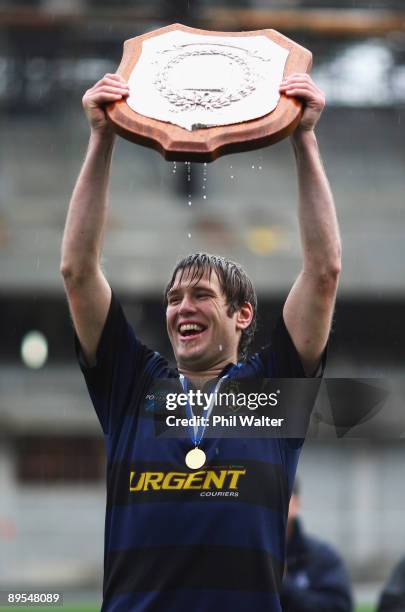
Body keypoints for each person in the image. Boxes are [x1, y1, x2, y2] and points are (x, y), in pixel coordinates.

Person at [60, 71, 341, 611]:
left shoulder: (271, 390)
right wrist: (101, 139)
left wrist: (304, 138)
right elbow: (77, 271)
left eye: (199, 295)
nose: (181, 307)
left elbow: (324, 271)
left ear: (242, 315)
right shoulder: (131, 382)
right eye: (172, 298)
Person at [281, 480, 353, 612]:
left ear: (296, 504)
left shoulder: (323, 557)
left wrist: (284, 584)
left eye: (281, 497)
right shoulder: (243, 555)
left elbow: (339, 607)